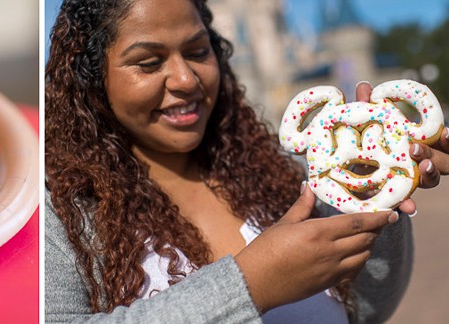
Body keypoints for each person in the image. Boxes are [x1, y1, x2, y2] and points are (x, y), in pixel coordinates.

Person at [45, 0, 449, 322]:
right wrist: (251, 285)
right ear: (92, 79)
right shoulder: (58, 212)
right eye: (149, 63)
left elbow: (364, 309)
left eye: (198, 52)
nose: (186, 79)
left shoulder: (279, 174)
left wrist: (375, 194)